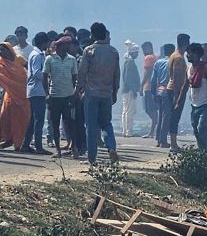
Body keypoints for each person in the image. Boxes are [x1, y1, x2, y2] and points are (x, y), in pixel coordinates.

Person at [78, 22, 120, 164]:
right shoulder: (114, 52)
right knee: (106, 123)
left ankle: (92, 159)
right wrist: (115, 92)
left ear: (93, 35)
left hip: (91, 94)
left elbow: (82, 72)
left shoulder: (89, 50)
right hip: (107, 94)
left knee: (91, 127)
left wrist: (79, 89)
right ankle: (111, 147)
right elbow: (116, 75)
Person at [0, 41, 31, 150]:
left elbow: (30, 68)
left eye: (3, 49)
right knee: (6, 116)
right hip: (10, 94)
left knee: (20, 118)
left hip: (22, 92)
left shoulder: (19, 59)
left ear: (9, 50)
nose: (1, 52)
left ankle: (19, 142)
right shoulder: (0, 63)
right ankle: (8, 139)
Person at [46, 35, 79, 157]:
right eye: (67, 44)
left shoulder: (72, 59)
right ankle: (58, 150)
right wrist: (47, 94)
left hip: (68, 96)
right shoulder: (50, 59)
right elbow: (45, 77)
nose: (69, 47)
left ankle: (74, 147)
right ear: (61, 46)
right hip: (55, 95)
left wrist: (75, 91)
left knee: (70, 123)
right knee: (55, 123)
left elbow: (75, 76)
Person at [183, 43, 207, 154]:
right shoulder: (188, 69)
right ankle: (202, 153)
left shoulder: (205, 68)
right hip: (194, 104)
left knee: (202, 128)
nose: (187, 56)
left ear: (196, 54)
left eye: (189, 53)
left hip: (206, 104)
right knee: (196, 130)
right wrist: (179, 100)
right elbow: (185, 85)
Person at [21, 31, 49, 153]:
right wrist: (48, 76)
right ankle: (38, 146)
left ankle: (26, 144)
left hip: (34, 90)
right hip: (38, 90)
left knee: (33, 119)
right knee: (39, 119)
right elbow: (37, 72)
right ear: (43, 43)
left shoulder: (36, 53)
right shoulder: (37, 55)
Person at [165, 34, 190, 152]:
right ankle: (173, 144)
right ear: (185, 43)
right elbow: (176, 77)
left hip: (173, 90)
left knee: (173, 117)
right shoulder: (179, 58)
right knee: (175, 117)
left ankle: (173, 143)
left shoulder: (173, 56)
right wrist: (177, 96)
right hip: (175, 90)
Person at [149, 43, 174, 148]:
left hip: (159, 90)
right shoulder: (172, 62)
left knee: (161, 116)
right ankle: (163, 140)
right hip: (168, 91)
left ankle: (159, 139)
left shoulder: (158, 62)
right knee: (166, 116)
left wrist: (153, 93)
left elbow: (153, 80)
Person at [120, 40, 141, 137]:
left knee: (126, 110)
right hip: (129, 90)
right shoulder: (130, 62)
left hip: (126, 89)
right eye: (136, 52)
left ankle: (125, 130)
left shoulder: (127, 61)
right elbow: (129, 77)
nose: (137, 54)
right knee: (129, 111)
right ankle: (129, 131)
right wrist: (133, 89)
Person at [139, 41, 157, 139]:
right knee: (152, 110)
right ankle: (153, 130)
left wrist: (141, 86)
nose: (143, 52)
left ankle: (152, 130)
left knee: (149, 109)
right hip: (154, 87)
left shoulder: (149, 58)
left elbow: (147, 74)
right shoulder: (156, 57)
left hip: (148, 87)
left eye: (144, 49)